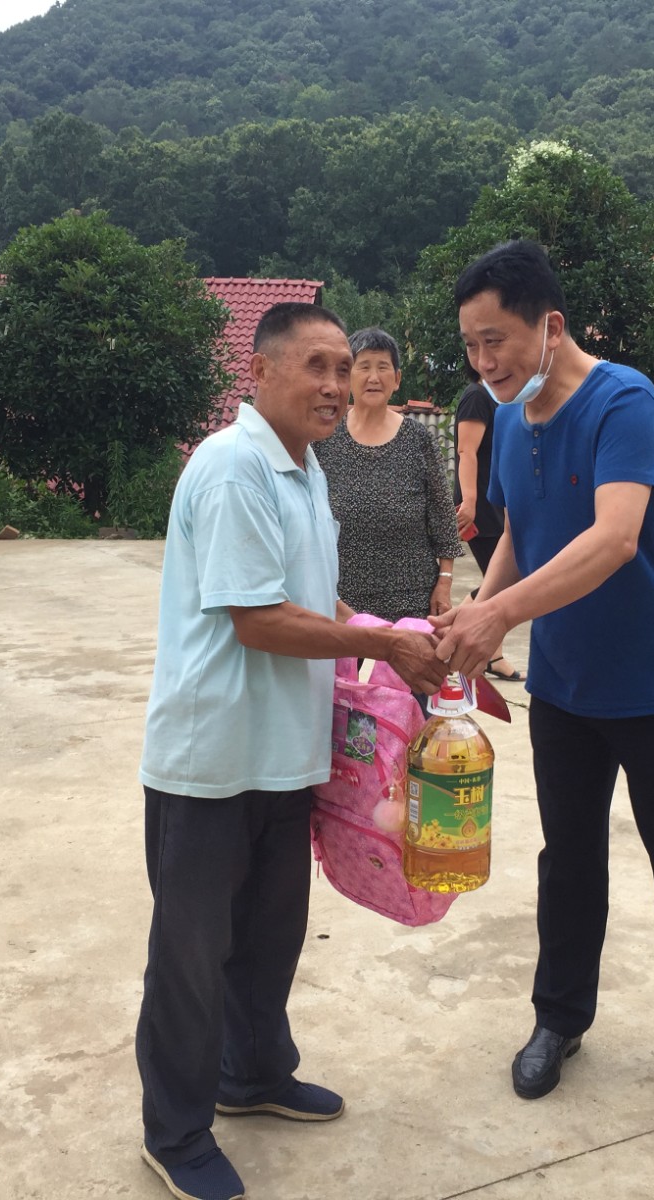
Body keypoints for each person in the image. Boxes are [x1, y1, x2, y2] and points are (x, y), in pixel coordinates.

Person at [136, 302, 446, 1200]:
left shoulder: (304, 469)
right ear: (260, 372)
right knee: (193, 956)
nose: (337, 385)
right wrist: (382, 644)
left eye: (345, 368)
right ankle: (175, 1132)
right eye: (317, 366)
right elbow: (259, 619)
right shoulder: (235, 468)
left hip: (284, 754)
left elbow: (316, 599)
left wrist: (398, 635)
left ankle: (253, 1076)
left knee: (268, 939)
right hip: (211, 759)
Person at [430, 240, 654, 1120]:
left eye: (496, 341)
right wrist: (478, 615)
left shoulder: (624, 402)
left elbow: (614, 538)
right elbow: (520, 539)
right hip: (565, 690)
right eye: (471, 347)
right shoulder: (510, 420)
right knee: (567, 863)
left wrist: (498, 616)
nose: (484, 364)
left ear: (551, 325)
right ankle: (558, 1019)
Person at [314, 327, 463, 624]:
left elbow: (443, 516)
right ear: (348, 376)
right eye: (363, 366)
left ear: (396, 379)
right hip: (340, 599)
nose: (373, 377)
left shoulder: (418, 438)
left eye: (383, 367)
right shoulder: (324, 437)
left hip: (412, 598)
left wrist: (444, 581)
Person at [453, 379, 524, 682]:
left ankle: (491, 654)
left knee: (499, 583)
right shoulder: (477, 396)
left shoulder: (502, 399)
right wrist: (469, 502)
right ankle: (452, 635)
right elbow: (466, 451)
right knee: (501, 582)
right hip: (480, 508)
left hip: (496, 505)